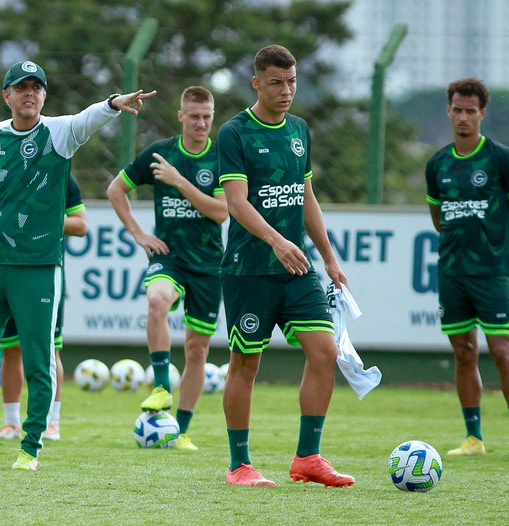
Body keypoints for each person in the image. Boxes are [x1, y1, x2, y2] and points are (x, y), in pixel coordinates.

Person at [0, 59, 155, 471]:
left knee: (38, 358)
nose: (29, 93)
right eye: (21, 86)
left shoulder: (59, 132)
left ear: (45, 95)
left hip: (38, 264)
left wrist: (113, 103)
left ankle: (30, 447)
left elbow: (88, 118)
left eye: (36, 87)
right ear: (7, 95)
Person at [218, 44, 354, 487]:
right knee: (245, 364)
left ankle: (307, 458)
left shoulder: (299, 129)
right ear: (256, 83)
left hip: (297, 268)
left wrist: (329, 257)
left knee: (325, 351)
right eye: (276, 82)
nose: (286, 90)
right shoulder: (235, 133)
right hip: (249, 269)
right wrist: (276, 241)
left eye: (292, 81)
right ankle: (240, 465)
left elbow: (305, 195)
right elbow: (236, 203)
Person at [107, 86, 226, 451]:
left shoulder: (222, 158)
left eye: (207, 117)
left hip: (208, 263)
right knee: (157, 300)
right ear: (181, 116)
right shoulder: (160, 153)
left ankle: (181, 431)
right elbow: (115, 189)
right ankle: (160, 385)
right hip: (169, 256)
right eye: (194, 116)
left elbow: (221, 212)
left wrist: (178, 182)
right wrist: (139, 233)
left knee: (197, 350)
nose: (201, 123)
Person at [425, 77, 509, 458]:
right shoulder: (437, 164)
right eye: (458, 110)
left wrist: (501, 246)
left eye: (471, 111)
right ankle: (474, 438)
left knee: (502, 352)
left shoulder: (501, 158)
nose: (463, 117)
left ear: (482, 114)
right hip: (451, 272)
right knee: (464, 352)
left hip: (492, 272)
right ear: (449, 111)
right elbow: (438, 218)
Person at [0, 174, 87, 442]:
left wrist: (37, 220)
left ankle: (51, 422)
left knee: (49, 349)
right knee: (10, 349)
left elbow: (80, 225)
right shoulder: (4, 170)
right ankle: (11, 423)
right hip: (6, 269)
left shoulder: (62, 176)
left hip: (44, 273)